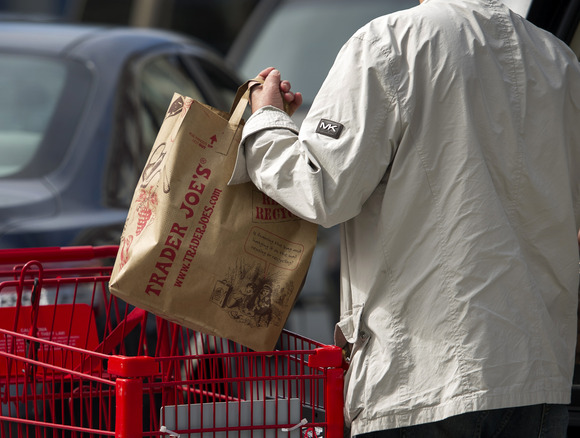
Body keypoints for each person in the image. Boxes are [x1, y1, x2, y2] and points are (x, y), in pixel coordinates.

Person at [229, 0, 580, 436]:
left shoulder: (388, 43)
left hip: (424, 379)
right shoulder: (559, 61)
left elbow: (321, 188)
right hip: (537, 377)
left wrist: (265, 121)